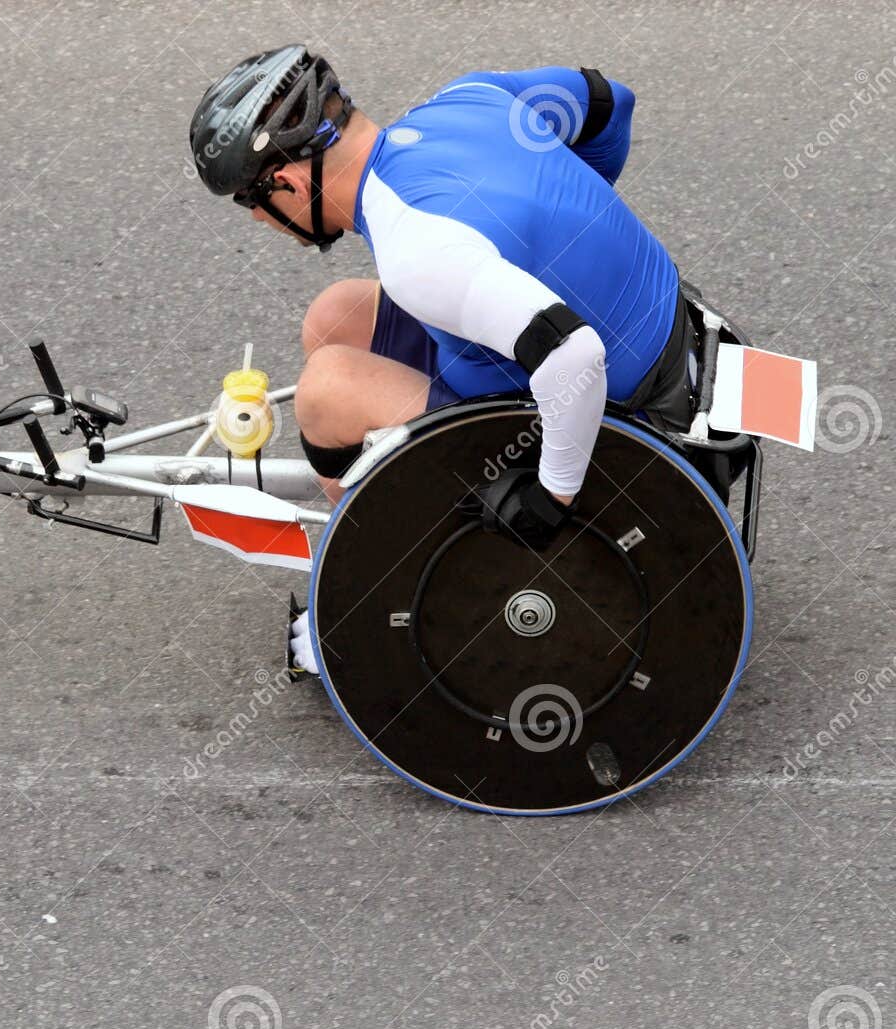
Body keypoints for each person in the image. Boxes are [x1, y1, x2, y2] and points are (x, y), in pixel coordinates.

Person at [189, 44, 698, 674]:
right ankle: (390, 496)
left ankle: (376, 595)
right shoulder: (469, 98)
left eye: (251, 204)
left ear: (288, 183)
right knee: (335, 316)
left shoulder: (416, 249)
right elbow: (605, 100)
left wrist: (550, 499)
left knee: (326, 392)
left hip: (623, 404)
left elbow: (572, 356)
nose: (264, 224)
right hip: (675, 329)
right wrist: (572, 226)